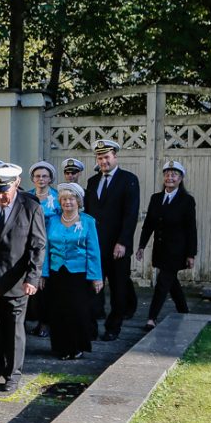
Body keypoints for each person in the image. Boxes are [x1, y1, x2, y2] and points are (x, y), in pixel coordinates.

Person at [0, 165, 46, 393]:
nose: (0, 197)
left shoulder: (31, 206)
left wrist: (32, 278)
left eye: (3, 191)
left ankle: (13, 374)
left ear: (15, 183)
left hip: (17, 280)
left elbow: (38, 245)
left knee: (14, 329)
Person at [84, 139, 140, 341]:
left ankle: (113, 327)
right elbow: (88, 215)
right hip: (95, 247)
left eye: (107, 157)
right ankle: (90, 328)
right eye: (100, 158)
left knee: (118, 288)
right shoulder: (92, 182)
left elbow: (130, 214)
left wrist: (123, 242)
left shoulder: (128, 179)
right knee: (92, 289)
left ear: (115, 157)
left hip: (117, 247)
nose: (103, 161)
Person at [42, 183, 104, 358]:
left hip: (78, 275)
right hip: (56, 273)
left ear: (78, 201)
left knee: (77, 311)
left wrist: (96, 277)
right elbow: (45, 248)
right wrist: (43, 273)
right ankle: (61, 347)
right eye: (64, 199)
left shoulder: (88, 221)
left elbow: (93, 251)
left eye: (71, 199)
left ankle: (77, 347)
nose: (67, 202)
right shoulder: (52, 221)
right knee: (58, 311)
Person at [135, 161, 197, 331]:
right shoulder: (156, 198)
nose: (170, 177)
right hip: (160, 249)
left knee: (163, 282)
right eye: (167, 174)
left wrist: (191, 254)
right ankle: (184, 311)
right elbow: (148, 224)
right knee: (171, 282)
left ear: (180, 178)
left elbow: (191, 229)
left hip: (177, 250)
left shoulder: (187, 200)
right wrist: (141, 245)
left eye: (174, 174)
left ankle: (151, 318)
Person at [25, 161, 60, 338]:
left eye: (45, 176)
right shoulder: (27, 196)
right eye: (38, 176)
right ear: (32, 178)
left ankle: (47, 322)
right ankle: (37, 320)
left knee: (48, 288)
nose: (41, 179)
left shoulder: (58, 197)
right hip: (31, 245)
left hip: (53, 247)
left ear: (50, 178)